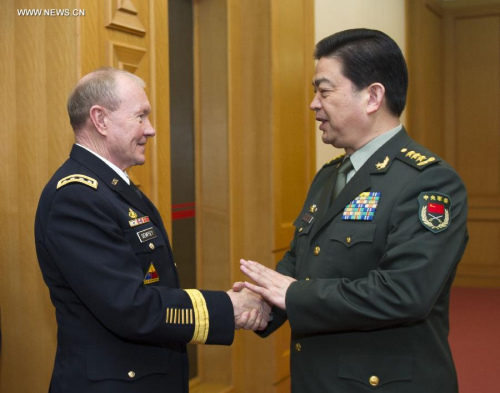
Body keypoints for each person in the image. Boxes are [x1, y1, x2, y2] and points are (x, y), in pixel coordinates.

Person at [237, 28, 468, 392]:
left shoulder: (429, 182)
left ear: (373, 96)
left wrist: (292, 296)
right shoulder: (330, 176)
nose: (314, 103)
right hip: (319, 377)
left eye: (324, 91)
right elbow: (300, 262)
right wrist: (257, 302)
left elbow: (404, 293)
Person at [34, 67, 270, 393]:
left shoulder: (110, 187)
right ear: (100, 120)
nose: (151, 129)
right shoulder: (77, 197)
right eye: (141, 116)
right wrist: (229, 308)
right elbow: (130, 307)